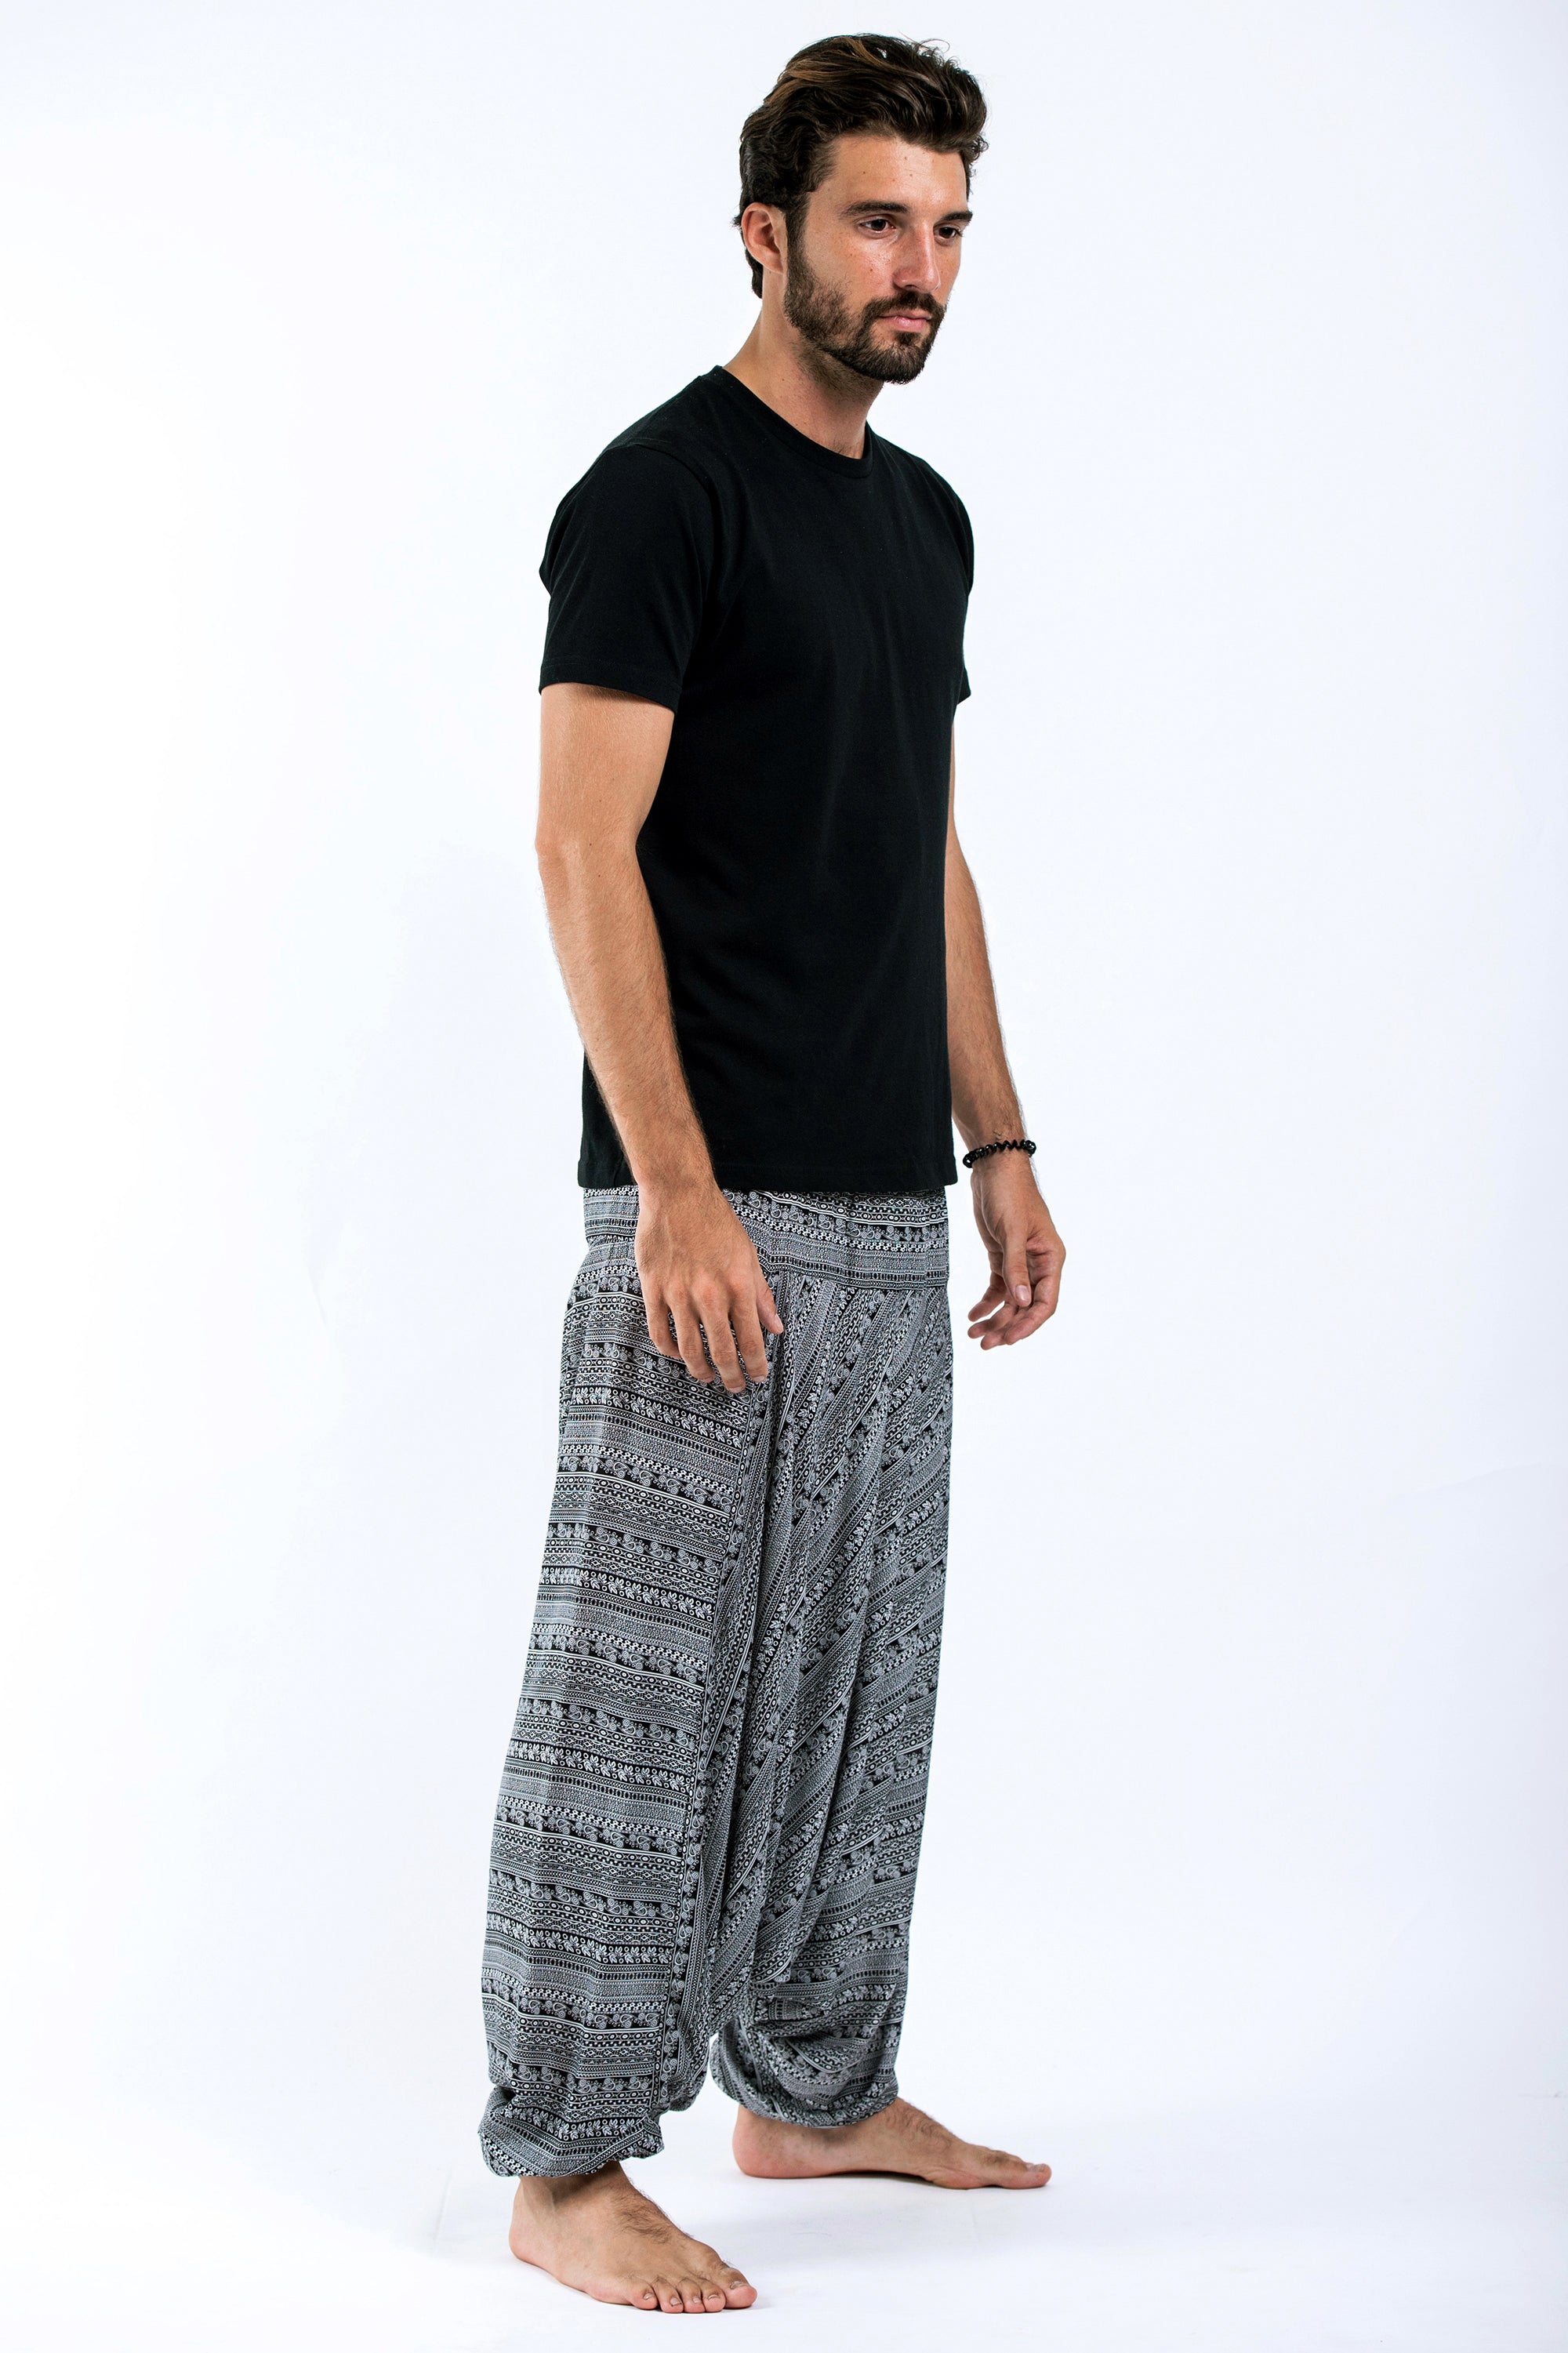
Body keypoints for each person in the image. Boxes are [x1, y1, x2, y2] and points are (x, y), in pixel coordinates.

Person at [478, 32, 1065, 2313]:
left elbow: (926, 850)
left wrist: (998, 1141)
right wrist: (678, 1188)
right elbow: (579, 842)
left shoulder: (923, 523)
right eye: (876, 221)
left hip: (887, 1198)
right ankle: (561, 2161)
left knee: (852, 1679)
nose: (921, 269)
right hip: (701, 1206)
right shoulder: (662, 497)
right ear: (766, 232)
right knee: (638, 1697)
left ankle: (815, 2086)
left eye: (948, 229)